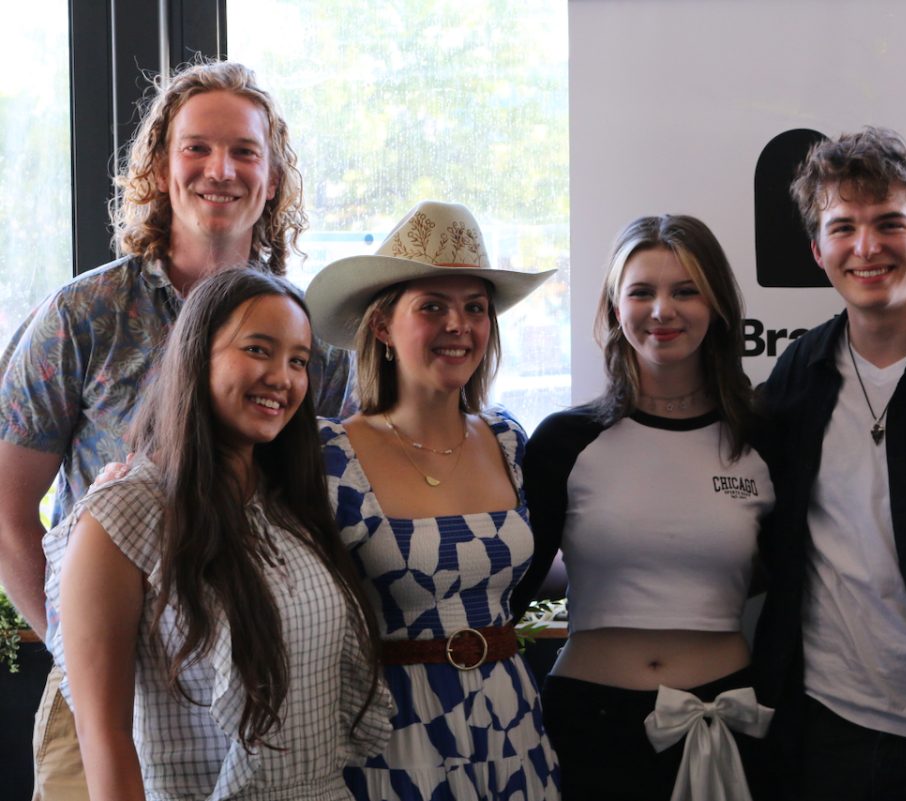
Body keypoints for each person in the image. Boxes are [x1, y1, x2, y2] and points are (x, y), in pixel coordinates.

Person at [0, 59, 351, 800]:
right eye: (196, 147)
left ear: (274, 177)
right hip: (104, 704)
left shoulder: (313, 336)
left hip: (261, 689)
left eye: (245, 151)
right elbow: (6, 509)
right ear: (160, 168)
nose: (220, 169)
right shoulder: (83, 315)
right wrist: (81, 648)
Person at [41, 269, 392, 801]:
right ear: (196, 355)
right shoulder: (122, 512)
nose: (283, 377)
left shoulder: (292, 506)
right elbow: (102, 734)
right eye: (258, 350)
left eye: (298, 360)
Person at [752, 126, 906, 800]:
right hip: (830, 723)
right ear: (817, 249)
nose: (866, 247)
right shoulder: (798, 372)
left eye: (890, 222)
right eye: (843, 228)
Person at [512, 214, 776, 801]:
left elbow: (789, 578)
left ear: (719, 307)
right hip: (587, 723)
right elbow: (516, 583)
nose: (663, 310)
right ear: (613, 307)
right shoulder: (563, 440)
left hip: (725, 716)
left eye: (685, 291)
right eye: (642, 292)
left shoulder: (764, 437)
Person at [304, 200, 560, 800]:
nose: (459, 324)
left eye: (476, 308)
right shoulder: (329, 455)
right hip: (392, 731)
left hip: (511, 722)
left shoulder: (508, 441)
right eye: (433, 307)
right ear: (382, 326)